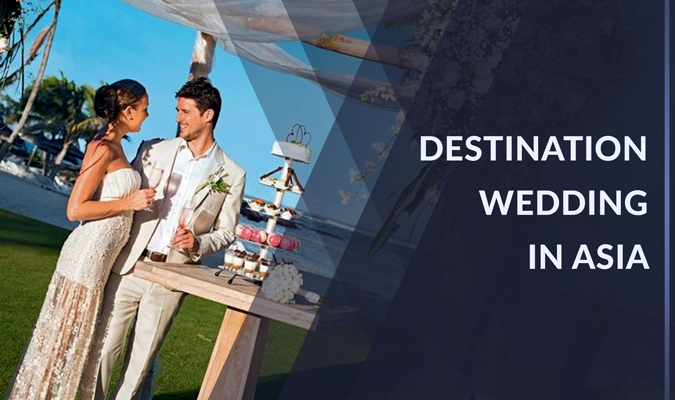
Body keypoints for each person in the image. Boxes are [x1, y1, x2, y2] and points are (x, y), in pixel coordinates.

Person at [93, 77, 246, 400]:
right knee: (104, 350)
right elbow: (120, 194)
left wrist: (198, 244)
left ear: (208, 116)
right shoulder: (153, 149)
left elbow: (228, 231)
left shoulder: (232, 173)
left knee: (140, 364)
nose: (178, 117)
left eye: (186, 111)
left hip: (173, 276)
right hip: (132, 264)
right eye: (177, 110)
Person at [7, 79, 156, 400]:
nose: (147, 115)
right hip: (87, 255)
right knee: (62, 341)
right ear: (128, 111)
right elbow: (75, 208)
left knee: (72, 342)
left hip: (100, 258)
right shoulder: (101, 148)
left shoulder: (119, 148)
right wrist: (128, 203)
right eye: (144, 109)